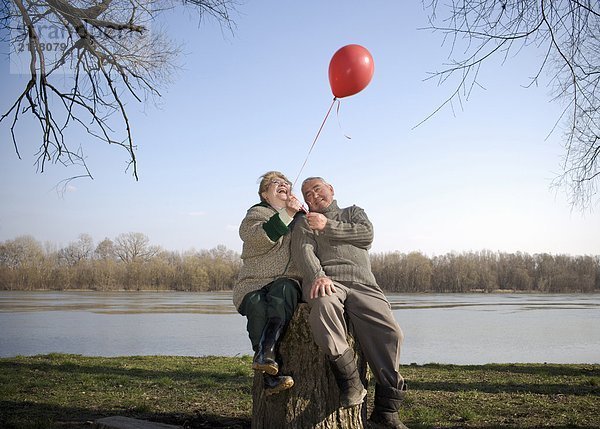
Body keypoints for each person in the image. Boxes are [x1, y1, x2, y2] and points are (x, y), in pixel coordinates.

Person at [291, 177, 408, 429]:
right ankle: (351, 383)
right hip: (329, 281)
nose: (313, 196)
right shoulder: (303, 221)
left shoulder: (353, 212)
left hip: (364, 284)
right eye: (307, 194)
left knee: (392, 333)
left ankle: (387, 412)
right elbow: (304, 252)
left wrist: (327, 225)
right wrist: (318, 276)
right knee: (323, 305)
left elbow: (366, 236)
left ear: (330, 190)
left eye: (317, 189)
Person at [232, 171, 304, 396]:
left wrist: (297, 214)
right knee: (255, 303)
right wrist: (287, 214)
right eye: (276, 183)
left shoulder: (300, 217)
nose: (283, 185)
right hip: (253, 282)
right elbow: (261, 237)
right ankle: (268, 369)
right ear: (264, 194)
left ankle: (266, 357)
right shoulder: (255, 214)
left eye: (286, 184)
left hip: (286, 281)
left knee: (283, 290)